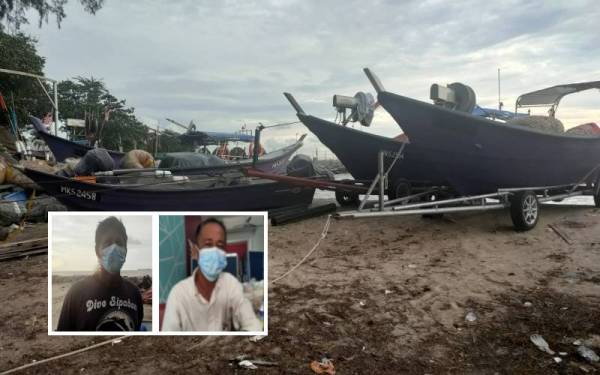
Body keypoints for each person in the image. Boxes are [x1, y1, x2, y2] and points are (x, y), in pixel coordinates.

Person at [162, 218, 261, 332]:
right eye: (208, 244)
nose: (215, 250)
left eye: (220, 245)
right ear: (195, 250)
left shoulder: (231, 284)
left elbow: (252, 324)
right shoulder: (178, 294)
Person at [57, 217, 143, 331]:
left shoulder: (134, 294)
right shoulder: (76, 293)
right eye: (107, 243)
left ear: (126, 250)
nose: (114, 248)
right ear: (97, 250)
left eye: (119, 242)